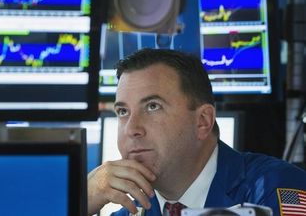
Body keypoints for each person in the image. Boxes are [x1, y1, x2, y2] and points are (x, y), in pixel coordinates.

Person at [88, 48, 306, 216]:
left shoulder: (274, 191)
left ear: (203, 121)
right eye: (123, 111)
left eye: (153, 106)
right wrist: (80, 203)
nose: (131, 129)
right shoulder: (133, 210)